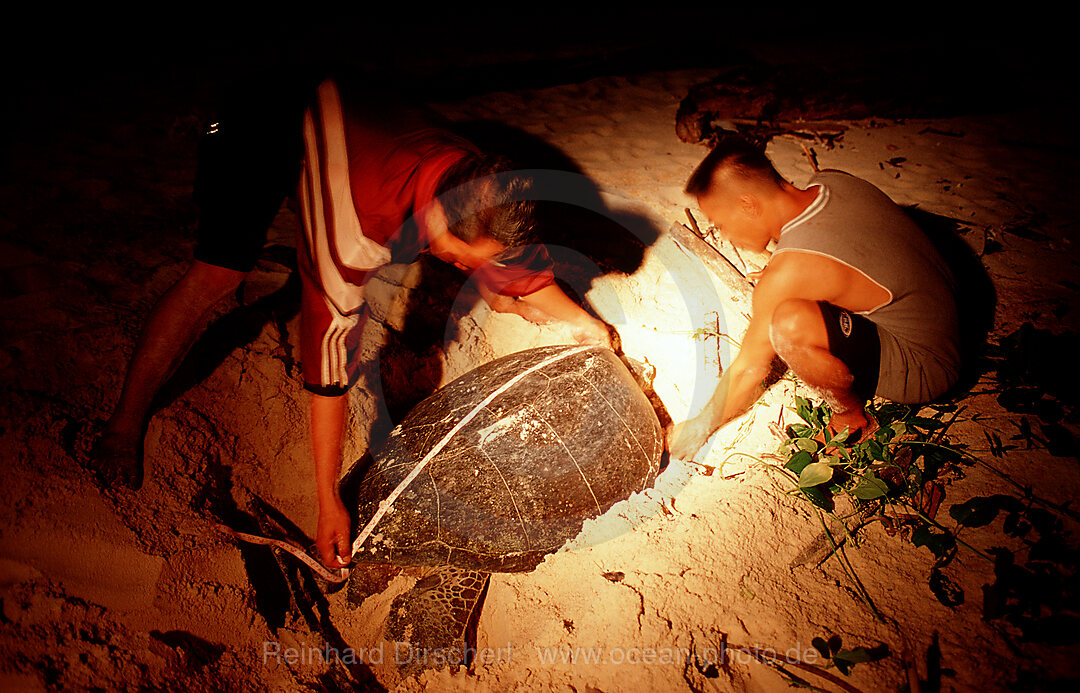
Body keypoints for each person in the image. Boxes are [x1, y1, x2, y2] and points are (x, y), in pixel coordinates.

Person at [95, 74, 612, 571]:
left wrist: (587, 325)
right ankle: (124, 422)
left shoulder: (479, 182)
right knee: (218, 274)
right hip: (262, 120)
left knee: (489, 270)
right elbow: (328, 359)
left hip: (356, 117)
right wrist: (328, 502)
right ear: (431, 215)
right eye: (456, 260)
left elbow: (512, 260)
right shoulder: (357, 226)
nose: (465, 271)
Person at [667, 136, 960, 461]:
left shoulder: (788, 273)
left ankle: (850, 419)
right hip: (949, 311)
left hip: (926, 367)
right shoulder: (831, 181)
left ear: (748, 205)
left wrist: (698, 427)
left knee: (789, 324)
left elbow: (749, 370)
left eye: (720, 223)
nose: (722, 233)